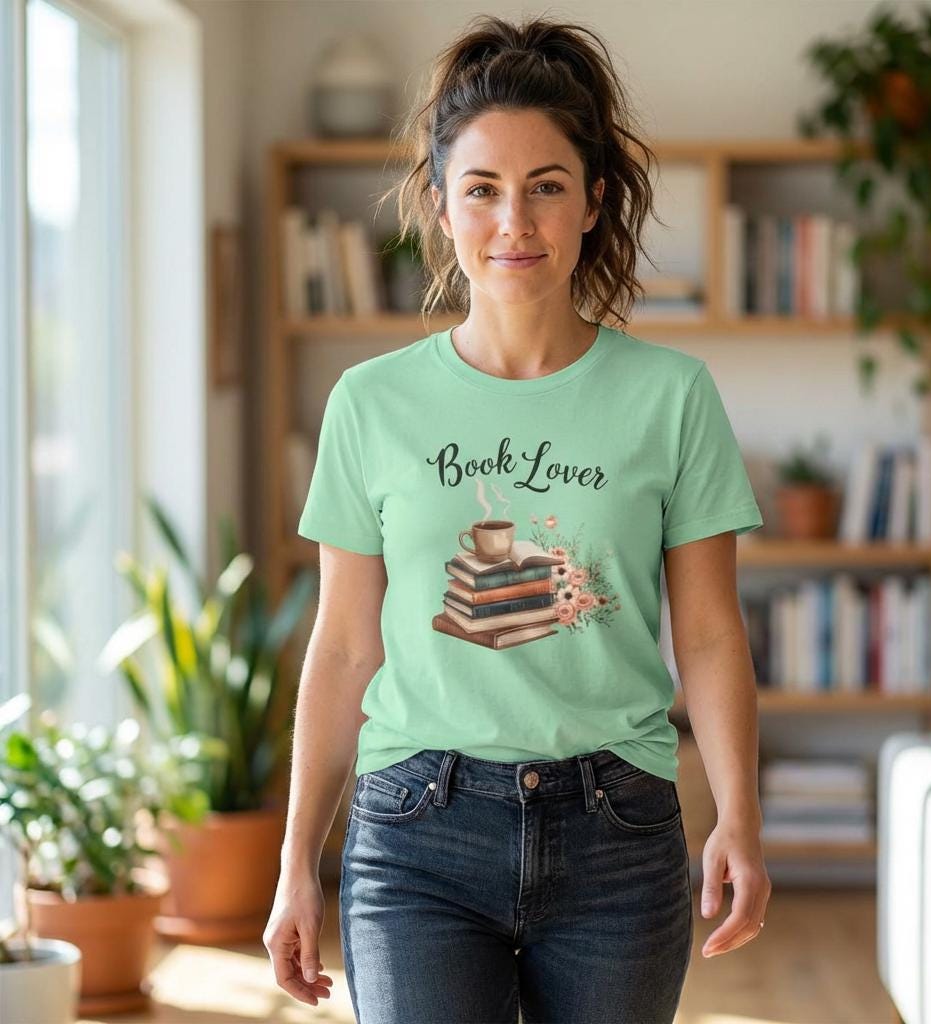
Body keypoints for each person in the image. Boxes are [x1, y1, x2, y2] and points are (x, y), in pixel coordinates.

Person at [263, 14, 771, 1023]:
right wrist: (293, 863)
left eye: (546, 185)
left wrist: (740, 818)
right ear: (441, 208)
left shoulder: (671, 396)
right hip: (417, 830)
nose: (514, 222)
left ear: (592, 202)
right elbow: (342, 646)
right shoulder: (370, 402)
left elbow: (710, 633)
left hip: (617, 830)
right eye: (483, 189)